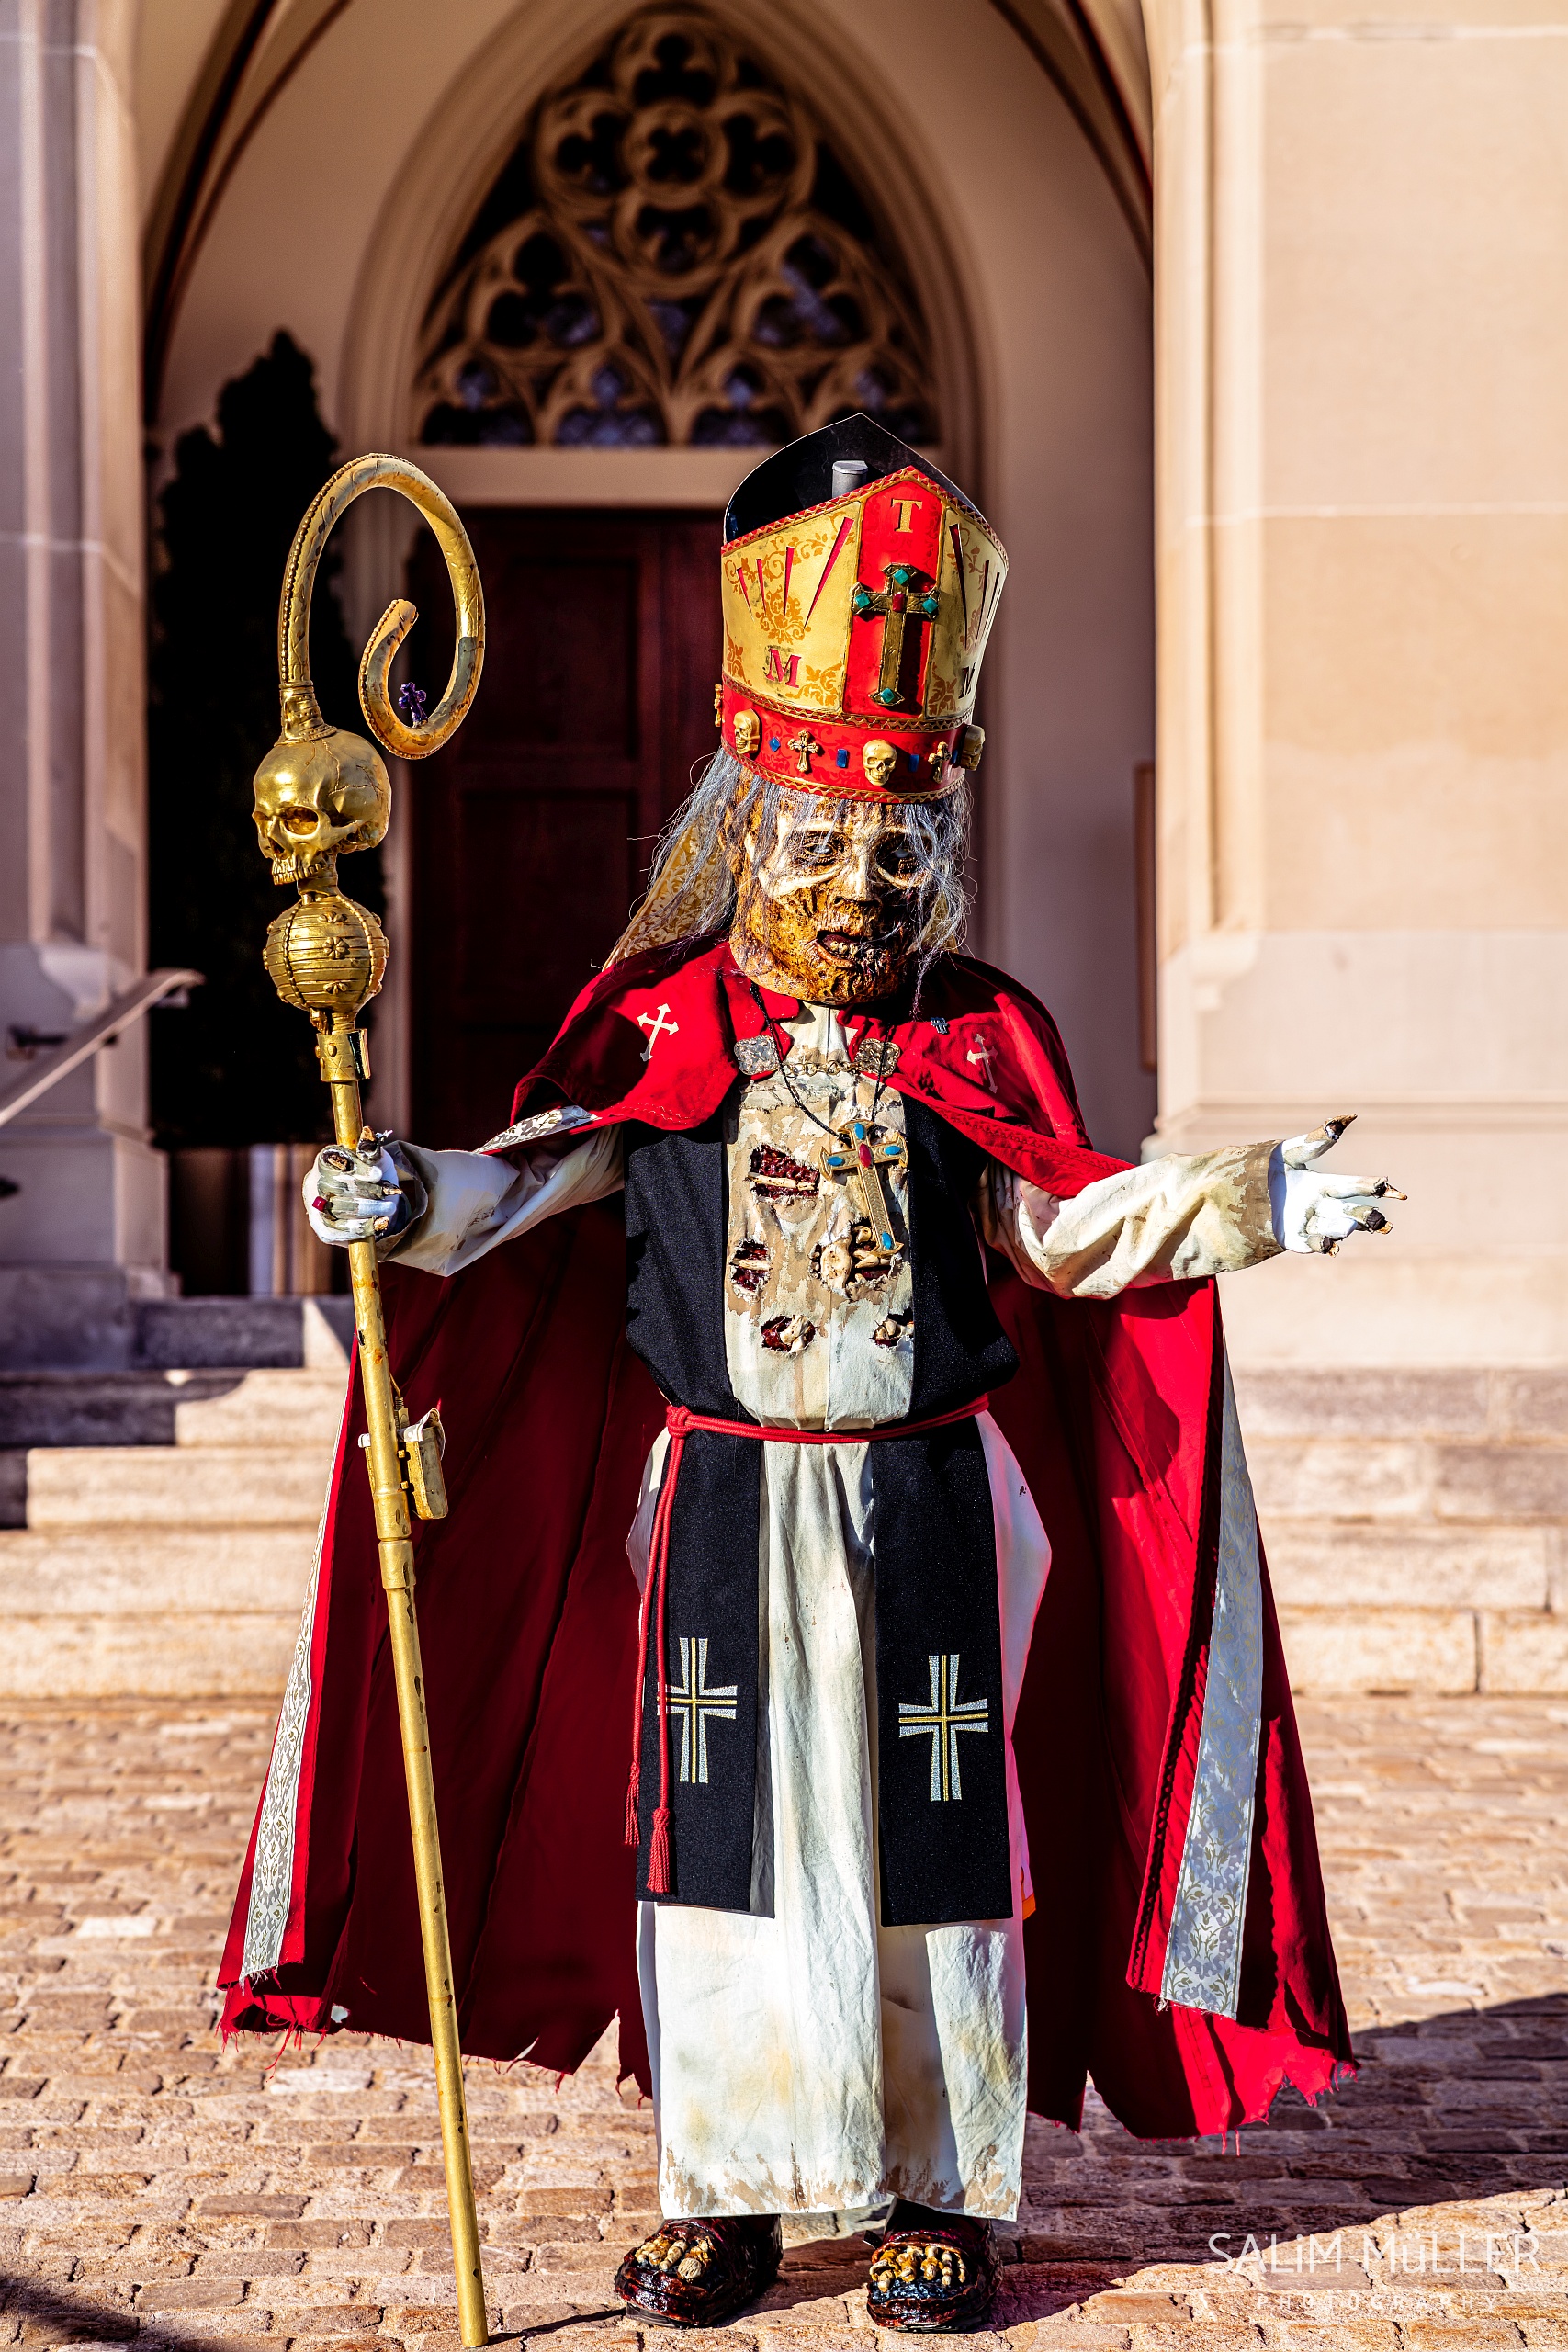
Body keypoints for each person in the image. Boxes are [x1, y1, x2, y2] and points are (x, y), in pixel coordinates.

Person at [220, 419, 1396, 2334]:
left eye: (897, 847)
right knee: (719, 1862)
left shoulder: (975, 1039)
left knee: (942, 1851)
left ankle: (939, 2185)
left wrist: (1244, 1197)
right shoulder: (663, 1028)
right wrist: (394, 1185)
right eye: (826, 841)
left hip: (931, 1501)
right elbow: (514, 1192)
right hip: (722, 1511)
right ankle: (731, 2185)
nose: (860, 887)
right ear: (743, 825)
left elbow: (1073, 1221)